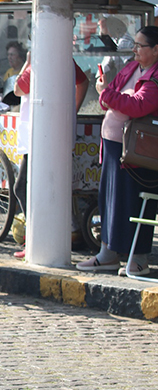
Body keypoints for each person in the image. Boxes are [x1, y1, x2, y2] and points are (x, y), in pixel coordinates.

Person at [77, 26, 158, 276]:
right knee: (109, 199)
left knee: (132, 201)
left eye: (140, 45)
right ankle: (107, 254)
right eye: (135, 44)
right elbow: (109, 96)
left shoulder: (155, 76)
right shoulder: (131, 68)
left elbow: (138, 105)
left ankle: (138, 258)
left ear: (156, 50)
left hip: (138, 153)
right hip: (113, 145)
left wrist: (107, 93)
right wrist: (106, 92)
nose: (135, 49)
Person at [11, 52, 88, 258]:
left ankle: (35, 238)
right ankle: (65, 233)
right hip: (57, 133)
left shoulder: (37, 63)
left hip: (37, 137)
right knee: (52, 186)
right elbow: (83, 82)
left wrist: (27, 62)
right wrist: (72, 111)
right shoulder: (66, 60)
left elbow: (18, 89)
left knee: (23, 187)